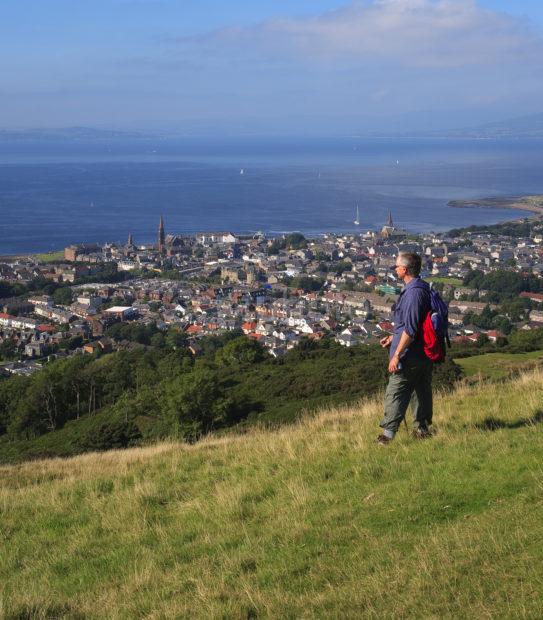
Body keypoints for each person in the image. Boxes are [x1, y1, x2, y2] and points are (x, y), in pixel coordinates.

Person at [378, 252, 433, 444]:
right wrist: (393, 338)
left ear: (405, 269)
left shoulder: (413, 293)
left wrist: (397, 354)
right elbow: (412, 325)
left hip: (411, 354)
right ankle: (422, 430)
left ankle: (387, 437)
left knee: (396, 392)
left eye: (396, 266)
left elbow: (410, 329)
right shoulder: (422, 288)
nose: (394, 269)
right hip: (422, 352)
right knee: (420, 391)